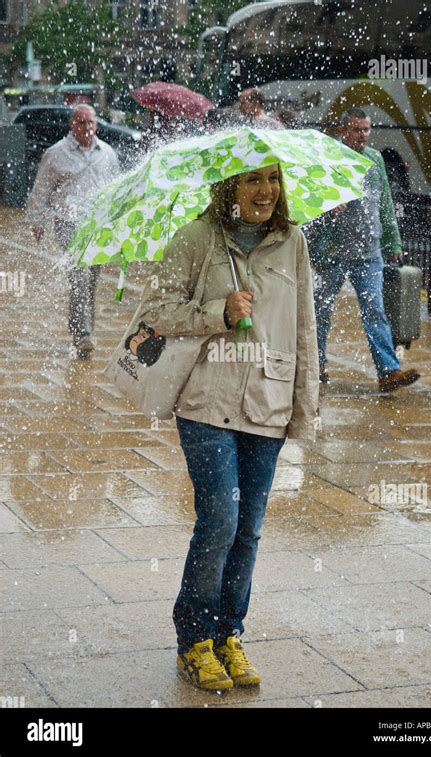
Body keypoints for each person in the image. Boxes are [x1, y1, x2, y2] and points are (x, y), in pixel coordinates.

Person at [139, 163, 319, 690]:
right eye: (252, 180)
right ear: (230, 188)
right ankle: (193, 639)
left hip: (268, 400)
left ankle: (227, 634)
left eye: (273, 179)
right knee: (220, 519)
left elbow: (304, 329)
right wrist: (219, 310)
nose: (265, 191)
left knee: (249, 527)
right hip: (206, 402)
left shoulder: (294, 242)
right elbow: (156, 312)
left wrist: (304, 411)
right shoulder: (198, 237)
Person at [307, 107, 420, 393]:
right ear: (343, 130)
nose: (362, 135)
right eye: (356, 130)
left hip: (369, 254)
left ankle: (388, 372)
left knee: (375, 311)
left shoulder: (375, 159)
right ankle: (316, 365)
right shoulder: (329, 157)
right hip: (332, 253)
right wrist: (327, 209)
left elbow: (384, 202)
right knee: (321, 312)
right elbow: (309, 203)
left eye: (366, 130)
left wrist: (392, 242)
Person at [27, 104, 119, 358]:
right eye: (81, 123)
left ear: (97, 125)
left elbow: (116, 189)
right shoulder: (56, 154)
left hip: (98, 226)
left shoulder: (108, 153)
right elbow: (41, 189)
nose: (87, 128)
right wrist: (37, 221)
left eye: (91, 123)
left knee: (91, 280)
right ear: (72, 126)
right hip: (68, 223)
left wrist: (119, 222)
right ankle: (81, 334)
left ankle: (85, 329)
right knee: (79, 275)